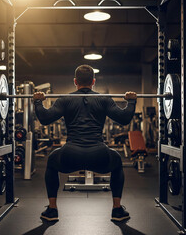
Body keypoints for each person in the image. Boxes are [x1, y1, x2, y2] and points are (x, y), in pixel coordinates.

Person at [33, 64, 137, 222]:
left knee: (52, 159)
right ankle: (117, 210)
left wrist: (38, 102)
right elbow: (124, 119)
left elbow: (45, 119)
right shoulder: (104, 99)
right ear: (93, 81)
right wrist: (131, 102)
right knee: (116, 159)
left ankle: (52, 210)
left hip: (70, 155)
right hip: (99, 155)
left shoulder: (65, 99)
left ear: (75, 81)